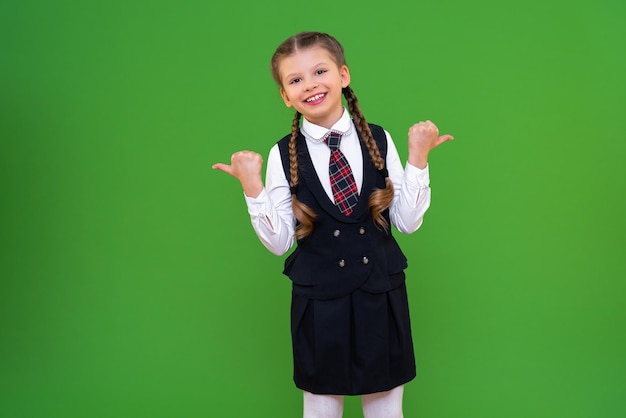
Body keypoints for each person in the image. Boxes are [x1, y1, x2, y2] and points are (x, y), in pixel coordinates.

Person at [213, 31, 453, 418]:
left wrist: (418, 159)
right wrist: (251, 186)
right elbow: (279, 244)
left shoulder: (378, 138)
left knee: (385, 410)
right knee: (321, 409)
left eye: (319, 71)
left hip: (380, 292)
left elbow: (406, 223)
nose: (310, 85)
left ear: (343, 75)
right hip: (320, 301)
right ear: (285, 96)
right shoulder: (281, 154)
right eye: (295, 80)